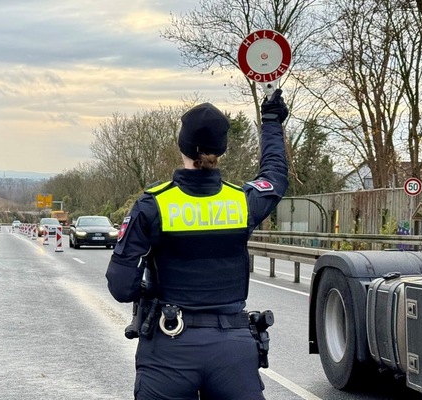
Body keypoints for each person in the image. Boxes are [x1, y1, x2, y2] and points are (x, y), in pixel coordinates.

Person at [106, 90, 289, 400]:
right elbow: (275, 175)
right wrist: (271, 122)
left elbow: (121, 287)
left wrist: (148, 290)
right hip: (233, 351)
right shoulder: (242, 202)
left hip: (169, 348)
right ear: (222, 150)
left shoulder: (154, 205)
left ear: (182, 145)